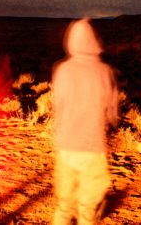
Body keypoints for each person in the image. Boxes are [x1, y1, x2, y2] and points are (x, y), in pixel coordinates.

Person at [51, 18, 119, 225]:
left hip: (65, 145)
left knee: (64, 205)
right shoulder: (104, 71)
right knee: (88, 209)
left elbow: (57, 106)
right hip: (91, 145)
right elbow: (112, 112)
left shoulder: (62, 69)